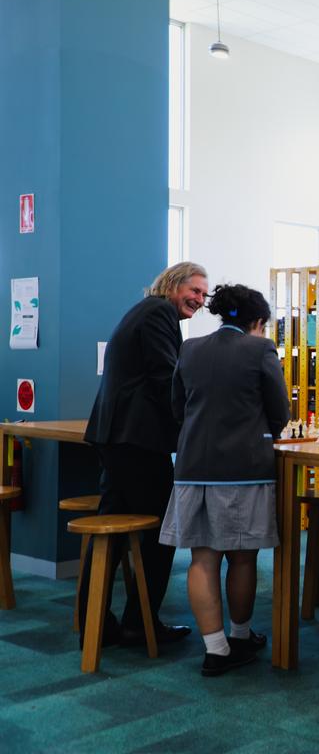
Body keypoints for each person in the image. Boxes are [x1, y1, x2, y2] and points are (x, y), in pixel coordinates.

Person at [159, 284, 290, 676]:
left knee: (202, 557)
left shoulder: (190, 348)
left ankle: (214, 648)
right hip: (243, 470)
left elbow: (177, 407)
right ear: (258, 321)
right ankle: (240, 635)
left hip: (193, 466)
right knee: (243, 556)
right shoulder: (260, 349)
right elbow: (279, 410)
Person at [80, 262, 209, 646]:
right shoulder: (158, 313)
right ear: (173, 285)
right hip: (136, 440)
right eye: (195, 291)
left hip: (119, 437)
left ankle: (97, 621)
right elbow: (166, 378)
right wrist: (198, 416)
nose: (200, 301)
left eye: (204, 294)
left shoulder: (148, 312)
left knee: (115, 532)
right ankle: (141, 623)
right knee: (161, 532)